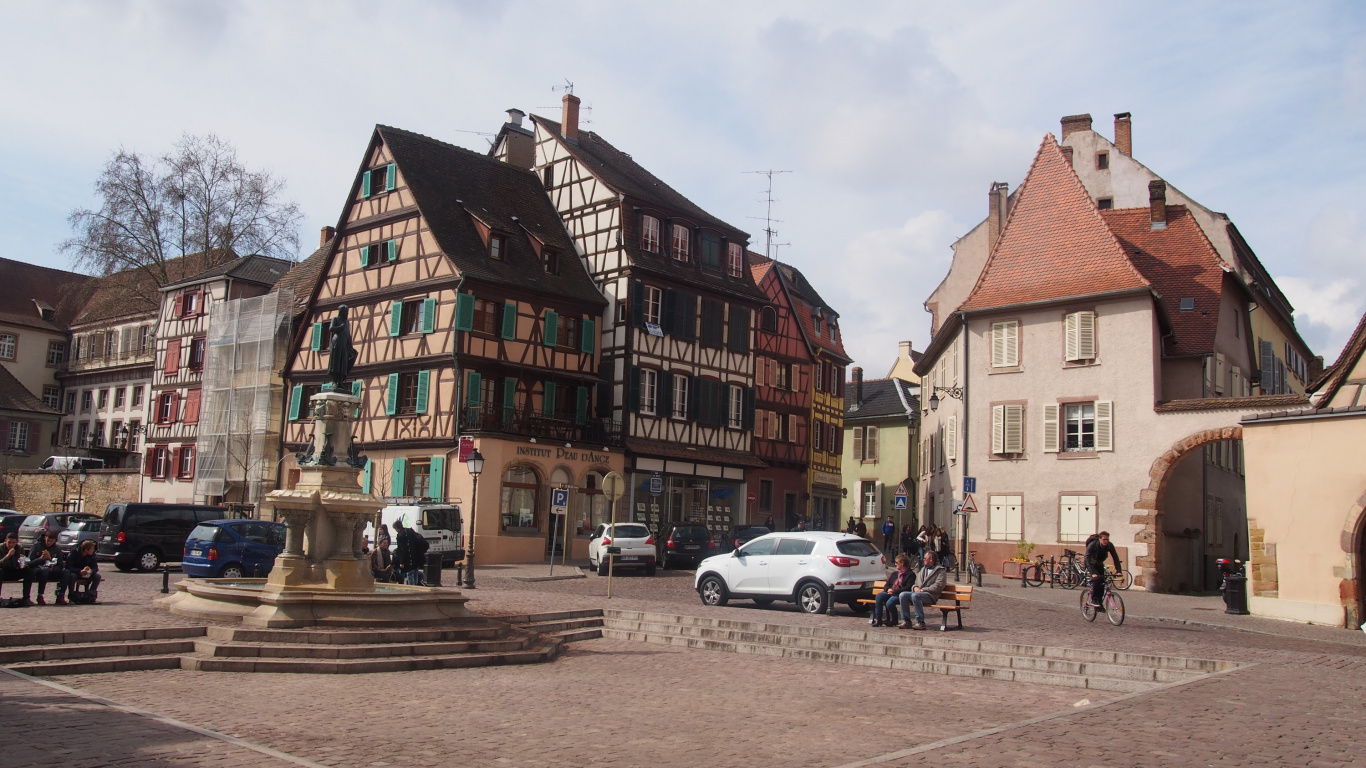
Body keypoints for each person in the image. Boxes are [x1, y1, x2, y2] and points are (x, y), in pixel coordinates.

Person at [898, 550, 946, 630]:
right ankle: (906, 620)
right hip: (918, 593)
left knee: (915, 596)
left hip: (930, 595)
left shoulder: (940, 571)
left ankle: (920, 622)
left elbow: (938, 586)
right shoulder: (923, 569)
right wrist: (915, 587)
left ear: (931, 560)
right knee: (903, 595)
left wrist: (923, 590)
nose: (923, 560)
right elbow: (916, 582)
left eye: (925, 558)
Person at [871, 554, 915, 627]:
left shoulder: (910, 574)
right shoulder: (895, 574)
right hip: (891, 592)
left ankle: (894, 620)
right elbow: (887, 585)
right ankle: (879, 619)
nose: (895, 564)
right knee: (879, 596)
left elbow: (908, 587)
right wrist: (888, 589)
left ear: (902, 563)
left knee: (889, 603)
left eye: (897, 562)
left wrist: (895, 591)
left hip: (900, 594)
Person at [1085, 531, 1122, 611]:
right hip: (1091, 564)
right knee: (1097, 580)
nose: (1106, 541)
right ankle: (1094, 600)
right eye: (1104, 539)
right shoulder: (1093, 545)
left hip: (1100, 564)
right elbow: (1087, 558)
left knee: (1102, 583)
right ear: (1100, 539)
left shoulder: (1109, 545)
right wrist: (1093, 572)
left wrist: (1119, 571)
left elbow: (1115, 557)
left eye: (1107, 539)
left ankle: (1099, 604)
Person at [24, 531, 63, 605]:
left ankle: (60, 596)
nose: (49, 543)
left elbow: (60, 564)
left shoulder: (57, 548)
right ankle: (40, 595)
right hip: (38, 570)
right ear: (45, 538)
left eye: (51, 541)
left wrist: (51, 562)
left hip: (52, 570)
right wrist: (40, 559)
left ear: (55, 540)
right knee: (45, 570)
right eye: (48, 540)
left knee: (66, 572)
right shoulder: (37, 546)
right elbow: (30, 563)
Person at [394, 519, 429, 585]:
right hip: (416, 556)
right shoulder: (410, 531)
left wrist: (401, 562)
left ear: (396, 528)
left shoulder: (400, 535)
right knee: (415, 572)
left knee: (410, 574)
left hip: (408, 558)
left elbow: (402, 550)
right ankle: (415, 587)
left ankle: (412, 588)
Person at [0, 533, 25, 600]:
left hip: (14, 571)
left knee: (29, 571)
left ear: (16, 542)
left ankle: (26, 598)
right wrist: (8, 555)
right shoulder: (0, 548)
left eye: (13, 543)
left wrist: (24, 564)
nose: (11, 545)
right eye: (9, 542)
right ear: (5, 541)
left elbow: (22, 561)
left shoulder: (19, 548)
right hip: (3, 572)